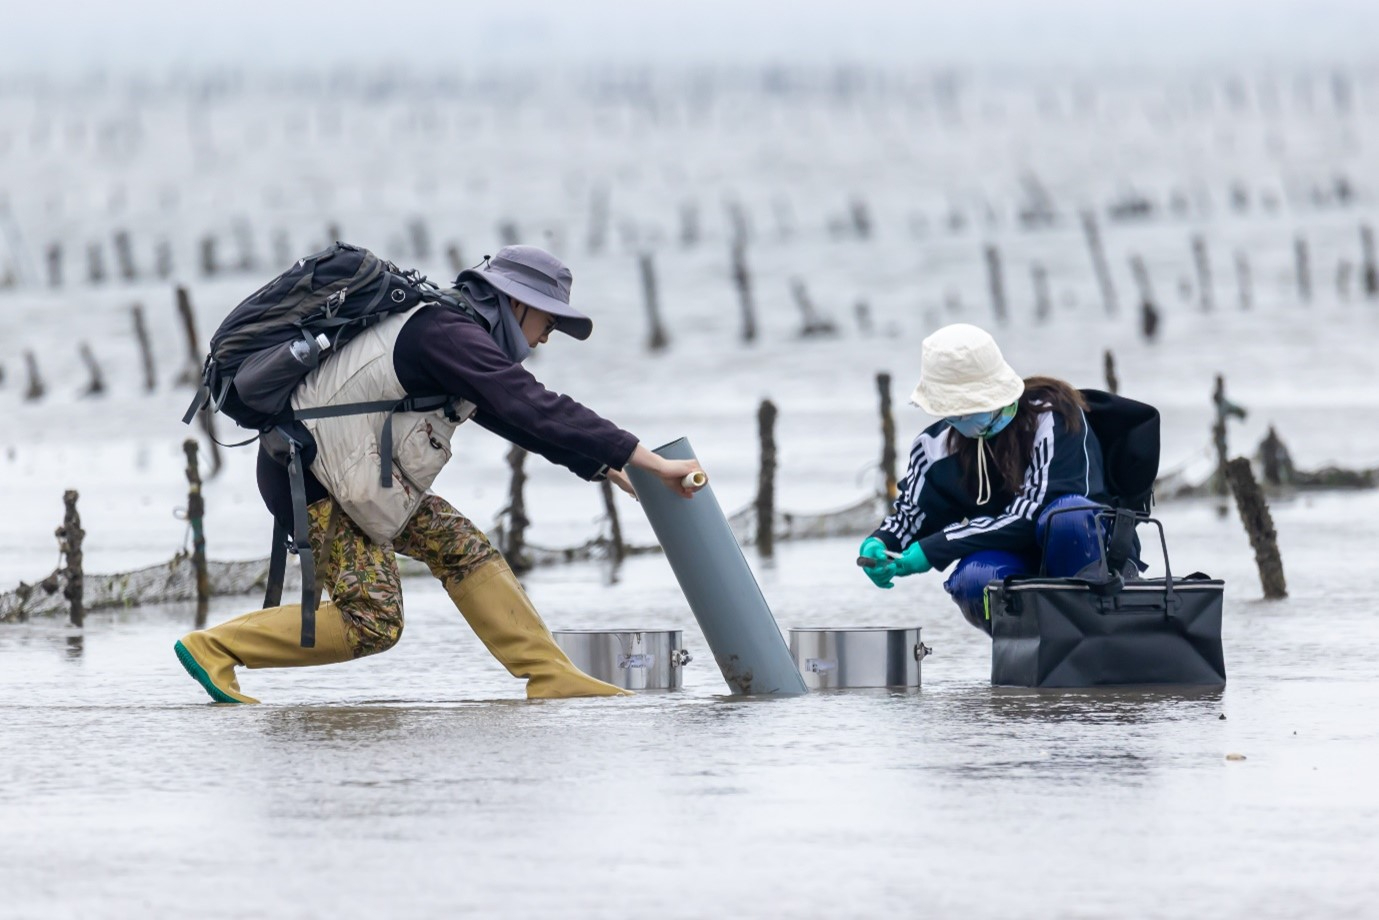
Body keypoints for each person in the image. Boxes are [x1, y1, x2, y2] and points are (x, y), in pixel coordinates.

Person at [175, 245, 705, 703]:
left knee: (461, 546)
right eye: (548, 322)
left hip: (355, 476)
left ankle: (551, 675)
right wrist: (650, 459)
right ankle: (215, 647)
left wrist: (605, 466)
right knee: (372, 619)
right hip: (313, 479)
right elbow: (531, 403)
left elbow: (518, 418)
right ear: (516, 303)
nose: (546, 338)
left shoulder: (453, 332)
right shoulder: (445, 332)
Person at [859, 323, 1139, 633]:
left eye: (969, 407)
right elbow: (911, 516)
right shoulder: (932, 448)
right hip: (1015, 560)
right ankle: (1033, 648)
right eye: (952, 410)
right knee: (974, 580)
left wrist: (936, 548)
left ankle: (1101, 630)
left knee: (1067, 515)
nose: (961, 418)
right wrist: (881, 542)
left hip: (1085, 546)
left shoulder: (1053, 418)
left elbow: (1030, 515)